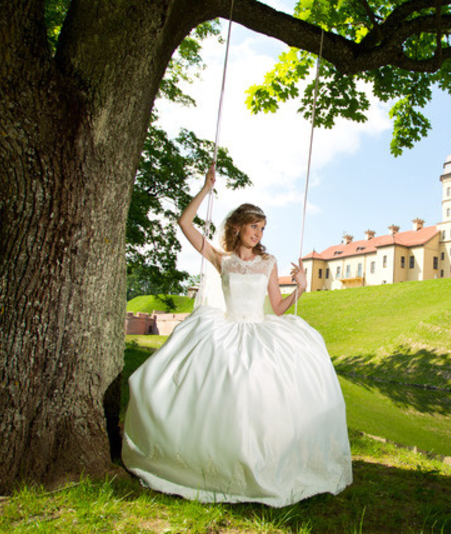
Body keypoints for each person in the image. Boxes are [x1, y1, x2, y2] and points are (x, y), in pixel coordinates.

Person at [122, 164, 353, 507]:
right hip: (226, 327)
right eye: (253, 226)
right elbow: (184, 224)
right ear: (237, 226)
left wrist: (300, 289)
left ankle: (265, 461)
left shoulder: (269, 262)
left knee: (261, 398)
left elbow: (275, 307)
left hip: (260, 329)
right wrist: (205, 189)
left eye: (262, 227)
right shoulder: (222, 259)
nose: (258, 233)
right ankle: (207, 459)